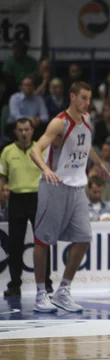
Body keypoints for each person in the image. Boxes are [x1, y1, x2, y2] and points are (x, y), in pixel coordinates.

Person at [29, 82, 110, 312]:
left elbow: (86, 147)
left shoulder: (87, 122)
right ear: (72, 96)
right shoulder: (59, 122)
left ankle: (63, 290)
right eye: (83, 98)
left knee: (84, 237)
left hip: (77, 188)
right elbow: (35, 150)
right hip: (54, 186)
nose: (87, 102)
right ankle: (39, 294)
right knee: (42, 241)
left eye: (89, 98)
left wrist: (98, 163)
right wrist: (45, 168)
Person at [0, 118, 53, 297]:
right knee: (15, 244)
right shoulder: (7, 151)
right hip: (16, 198)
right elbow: (2, 178)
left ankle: (46, 283)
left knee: (43, 241)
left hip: (37, 197)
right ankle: (15, 284)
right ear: (15, 131)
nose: (24, 133)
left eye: (27, 130)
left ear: (32, 131)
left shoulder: (41, 149)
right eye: (20, 130)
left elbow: (50, 174)